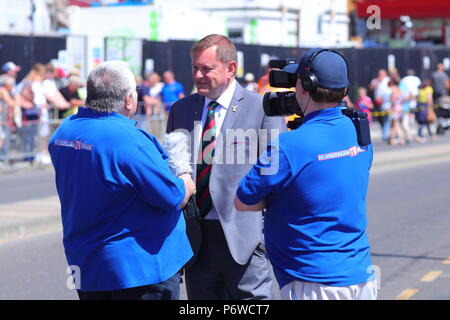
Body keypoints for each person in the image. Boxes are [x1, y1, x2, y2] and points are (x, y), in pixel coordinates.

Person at [235, 48, 377, 300]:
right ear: (344, 90)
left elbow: (243, 200)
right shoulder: (360, 132)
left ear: (303, 86)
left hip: (313, 282)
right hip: (360, 276)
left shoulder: (288, 146)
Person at [48, 60, 196, 300]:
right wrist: (185, 180)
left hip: (86, 263)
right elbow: (172, 196)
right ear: (129, 100)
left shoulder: (64, 132)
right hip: (138, 271)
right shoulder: (128, 139)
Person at [166, 34, 286, 300]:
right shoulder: (181, 110)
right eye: (195, 68)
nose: (198, 75)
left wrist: (262, 239)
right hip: (196, 240)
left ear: (231, 69)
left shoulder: (263, 108)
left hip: (243, 239)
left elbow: (274, 176)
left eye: (206, 69)